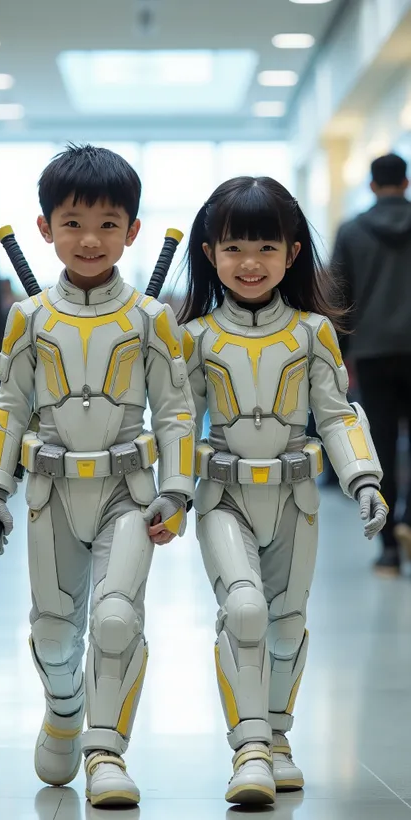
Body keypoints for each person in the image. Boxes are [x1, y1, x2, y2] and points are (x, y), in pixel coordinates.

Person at [0, 145, 195, 807]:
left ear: (133, 231)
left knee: (118, 618)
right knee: (53, 628)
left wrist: (177, 491)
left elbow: (176, 410)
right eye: (73, 223)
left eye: (108, 224)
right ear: (45, 228)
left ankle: (106, 753)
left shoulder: (152, 319)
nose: (90, 239)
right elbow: (8, 405)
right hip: (51, 492)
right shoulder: (29, 317)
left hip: (128, 493)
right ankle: (65, 707)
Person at [178, 176, 387, 806]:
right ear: (210, 252)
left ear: (293, 253)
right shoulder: (195, 337)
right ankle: (248, 749)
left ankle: (276, 737)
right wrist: (168, 493)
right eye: (234, 247)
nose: (250, 262)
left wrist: (363, 477)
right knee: (244, 610)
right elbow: (178, 423)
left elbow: (338, 413)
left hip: (296, 499)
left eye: (266, 247)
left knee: (287, 623)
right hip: (224, 498)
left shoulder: (312, 332)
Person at [332, 153, 411, 576]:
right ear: (406, 182)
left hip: (373, 352)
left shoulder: (352, 231)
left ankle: (388, 551)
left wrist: (342, 356)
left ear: (372, 185)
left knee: (379, 445)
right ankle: (409, 523)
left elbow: (339, 297)